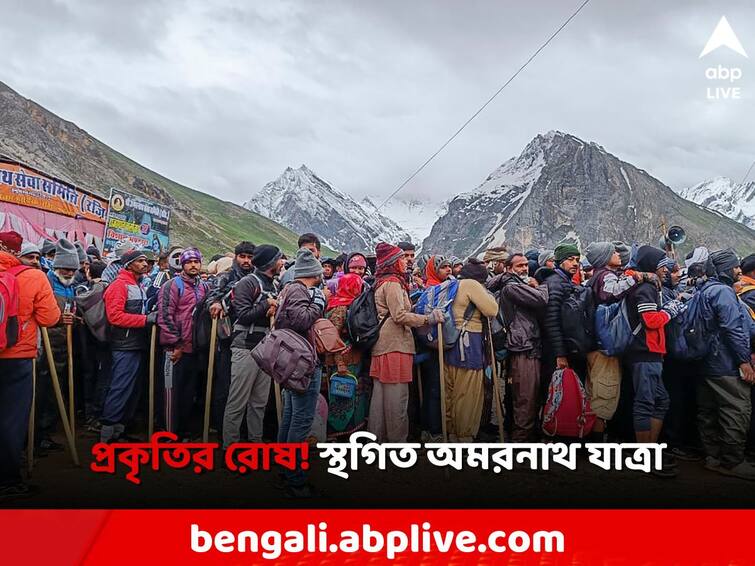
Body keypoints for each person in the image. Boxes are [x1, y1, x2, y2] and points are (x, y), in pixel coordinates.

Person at [0, 232, 59, 499]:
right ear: (19, 252)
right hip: (17, 356)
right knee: (12, 419)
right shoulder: (34, 276)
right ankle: (7, 479)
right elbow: (50, 318)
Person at [368, 243, 442, 443]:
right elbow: (399, 315)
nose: (405, 262)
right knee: (397, 400)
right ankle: (397, 444)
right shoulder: (392, 283)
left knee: (380, 399)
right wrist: (428, 319)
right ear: (393, 262)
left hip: (383, 345)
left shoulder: (382, 281)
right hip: (395, 345)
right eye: (401, 258)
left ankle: (377, 441)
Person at [624, 245, 682, 477]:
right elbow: (650, 320)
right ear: (650, 266)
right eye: (661, 266)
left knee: (660, 400)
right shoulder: (645, 289)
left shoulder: (648, 287)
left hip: (651, 352)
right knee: (646, 402)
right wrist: (671, 310)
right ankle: (644, 457)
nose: (665, 270)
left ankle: (649, 450)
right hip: (644, 352)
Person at [696, 249, 755, 480]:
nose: (738, 271)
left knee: (708, 411)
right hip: (725, 362)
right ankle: (732, 461)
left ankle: (712, 457)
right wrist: (743, 361)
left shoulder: (706, 289)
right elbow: (733, 328)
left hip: (706, 361)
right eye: (734, 268)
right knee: (736, 411)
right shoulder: (723, 293)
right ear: (725, 269)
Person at [274, 248, 327, 498]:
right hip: (303, 363)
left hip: (292, 361)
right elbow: (301, 321)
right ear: (314, 273)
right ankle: (295, 479)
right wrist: (319, 301)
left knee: (291, 416)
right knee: (301, 420)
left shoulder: (289, 290)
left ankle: (284, 469)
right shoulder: (299, 291)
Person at [223, 245, 283, 447]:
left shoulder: (274, 284)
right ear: (270, 263)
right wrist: (267, 305)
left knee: (259, 402)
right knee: (238, 400)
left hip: (265, 348)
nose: (282, 262)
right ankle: (230, 445)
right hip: (245, 348)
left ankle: (255, 442)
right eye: (279, 259)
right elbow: (243, 314)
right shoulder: (247, 283)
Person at [584, 241, 643, 441]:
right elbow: (612, 293)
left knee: (596, 391)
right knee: (604, 396)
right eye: (613, 252)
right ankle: (595, 446)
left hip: (593, 344)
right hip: (604, 347)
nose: (618, 254)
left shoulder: (593, 278)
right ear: (604, 257)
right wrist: (635, 278)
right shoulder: (606, 275)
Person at [101, 250, 156, 443]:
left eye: (145, 261)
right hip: (123, 344)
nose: (144, 264)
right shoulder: (119, 285)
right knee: (120, 387)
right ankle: (107, 435)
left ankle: (119, 431)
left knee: (130, 389)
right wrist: (145, 319)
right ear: (128, 264)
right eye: (140, 261)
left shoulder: (136, 284)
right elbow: (114, 316)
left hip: (134, 343)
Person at [443, 258, 499, 442]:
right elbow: (492, 310)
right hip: (469, 344)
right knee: (468, 394)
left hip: (449, 342)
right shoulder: (471, 285)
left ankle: (451, 434)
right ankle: (465, 437)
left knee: (450, 393)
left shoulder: (453, 284)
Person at [156, 248, 208, 439]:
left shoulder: (203, 286)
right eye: (189, 262)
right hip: (175, 349)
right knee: (171, 392)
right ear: (182, 265)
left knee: (188, 393)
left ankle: (183, 430)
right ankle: (168, 432)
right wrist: (176, 345)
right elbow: (165, 316)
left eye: (196, 261)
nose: (193, 265)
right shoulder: (172, 285)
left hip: (194, 349)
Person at [497, 253, 549, 442]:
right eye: (519, 266)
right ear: (509, 268)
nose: (524, 269)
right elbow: (541, 299)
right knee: (525, 396)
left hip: (525, 343)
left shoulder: (516, 284)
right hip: (522, 345)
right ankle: (520, 441)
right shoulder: (512, 287)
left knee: (525, 395)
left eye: (526, 265)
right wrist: (542, 286)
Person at [206, 241, 255, 438]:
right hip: (227, 338)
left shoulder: (257, 278)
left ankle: (242, 429)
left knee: (246, 388)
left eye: (250, 257)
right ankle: (219, 426)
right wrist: (217, 302)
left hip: (249, 337)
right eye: (242, 256)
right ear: (236, 257)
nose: (246, 261)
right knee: (225, 384)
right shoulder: (225, 276)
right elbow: (211, 299)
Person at [35, 239, 78, 452]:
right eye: (66, 268)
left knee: (56, 392)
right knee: (41, 392)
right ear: (56, 266)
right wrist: (61, 318)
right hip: (45, 345)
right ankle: (34, 437)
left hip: (64, 345)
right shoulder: (47, 282)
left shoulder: (72, 287)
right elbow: (43, 313)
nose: (69, 273)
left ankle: (47, 433)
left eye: (73, 269)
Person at [324, 273, 370, 438]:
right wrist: (340, 363)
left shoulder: (347, 304)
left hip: (352, 359)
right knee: (344, 398)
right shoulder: (340, 308)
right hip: (343, 361)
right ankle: (342, 434)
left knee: (354, 396)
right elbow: (333, 338)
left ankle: (354, 432)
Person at [538, 243, 584, 380]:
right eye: (570, 259)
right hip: (557, 351)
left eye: (577, 260)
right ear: (560, 262)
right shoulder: (554, 284)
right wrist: (560, 354)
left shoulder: (566, 282)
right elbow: (552, 321)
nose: (575, 263)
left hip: (569, 347)